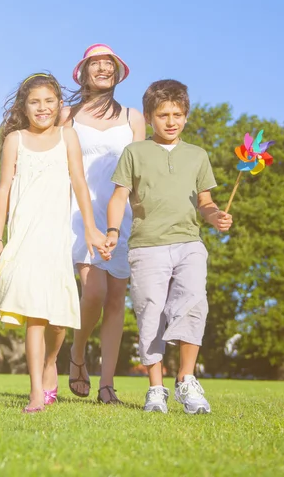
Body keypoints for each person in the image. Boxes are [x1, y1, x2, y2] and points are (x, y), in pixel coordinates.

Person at [0, 73, 108, 413]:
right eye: (34, 102)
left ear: (59, 104)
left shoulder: (68, 137)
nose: (42, 108)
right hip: (24, 234)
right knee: (35, 315)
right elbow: (4, 188)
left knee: (57, 320)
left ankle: (52, 360)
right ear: (24, 107)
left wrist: (93, 230)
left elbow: (80, 184)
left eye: (49, 101)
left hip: (57, 234)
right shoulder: (15, 139)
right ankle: (36, 392)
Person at [106, 79, 232, 414]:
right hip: (147, 246)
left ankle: (187, 381)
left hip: (189, 242)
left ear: (186, 116)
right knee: (150, 312)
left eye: (177, 114)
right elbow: (119, 196)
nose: (171, 121)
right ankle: (156, 389)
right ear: (149, 117)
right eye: (163, 114)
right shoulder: (135, 153)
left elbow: (205, 202)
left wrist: (215, 215)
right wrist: (113, 230)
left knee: (193, 303)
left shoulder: (197, 155)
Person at [61, 44, 146, 404]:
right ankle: (77, 353)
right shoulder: (67, 114)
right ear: (83, 72)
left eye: (108, 64)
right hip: (78, 213)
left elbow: (140, 170)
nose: (102, 69)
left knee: (115, 302)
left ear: (117, 73)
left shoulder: (133, 117)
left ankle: (107, 383)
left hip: (122, 214)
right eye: (95, 64)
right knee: (92, 292)